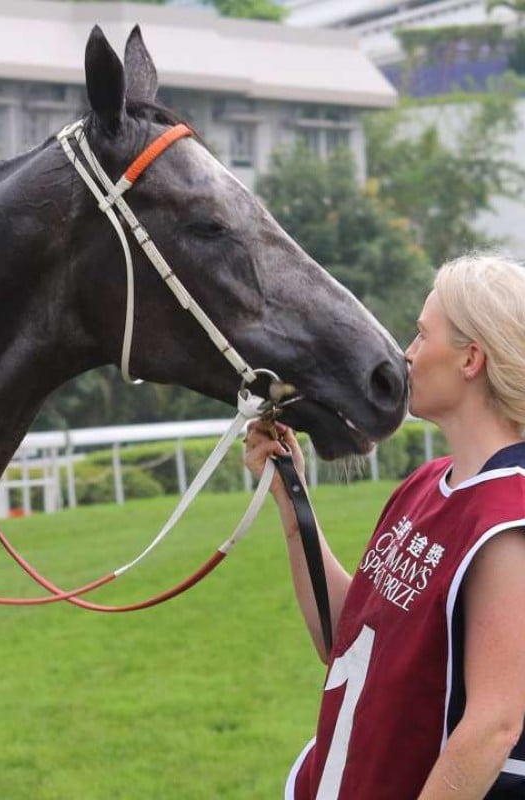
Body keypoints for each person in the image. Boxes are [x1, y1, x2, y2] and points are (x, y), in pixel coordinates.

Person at [244, 253, 525, 799]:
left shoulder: (508, 523)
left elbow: (494, 725)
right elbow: (346, 638)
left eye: (422, 334)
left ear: (471, 359)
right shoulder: (425, 485)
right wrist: (291, 499)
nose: (408, 353)